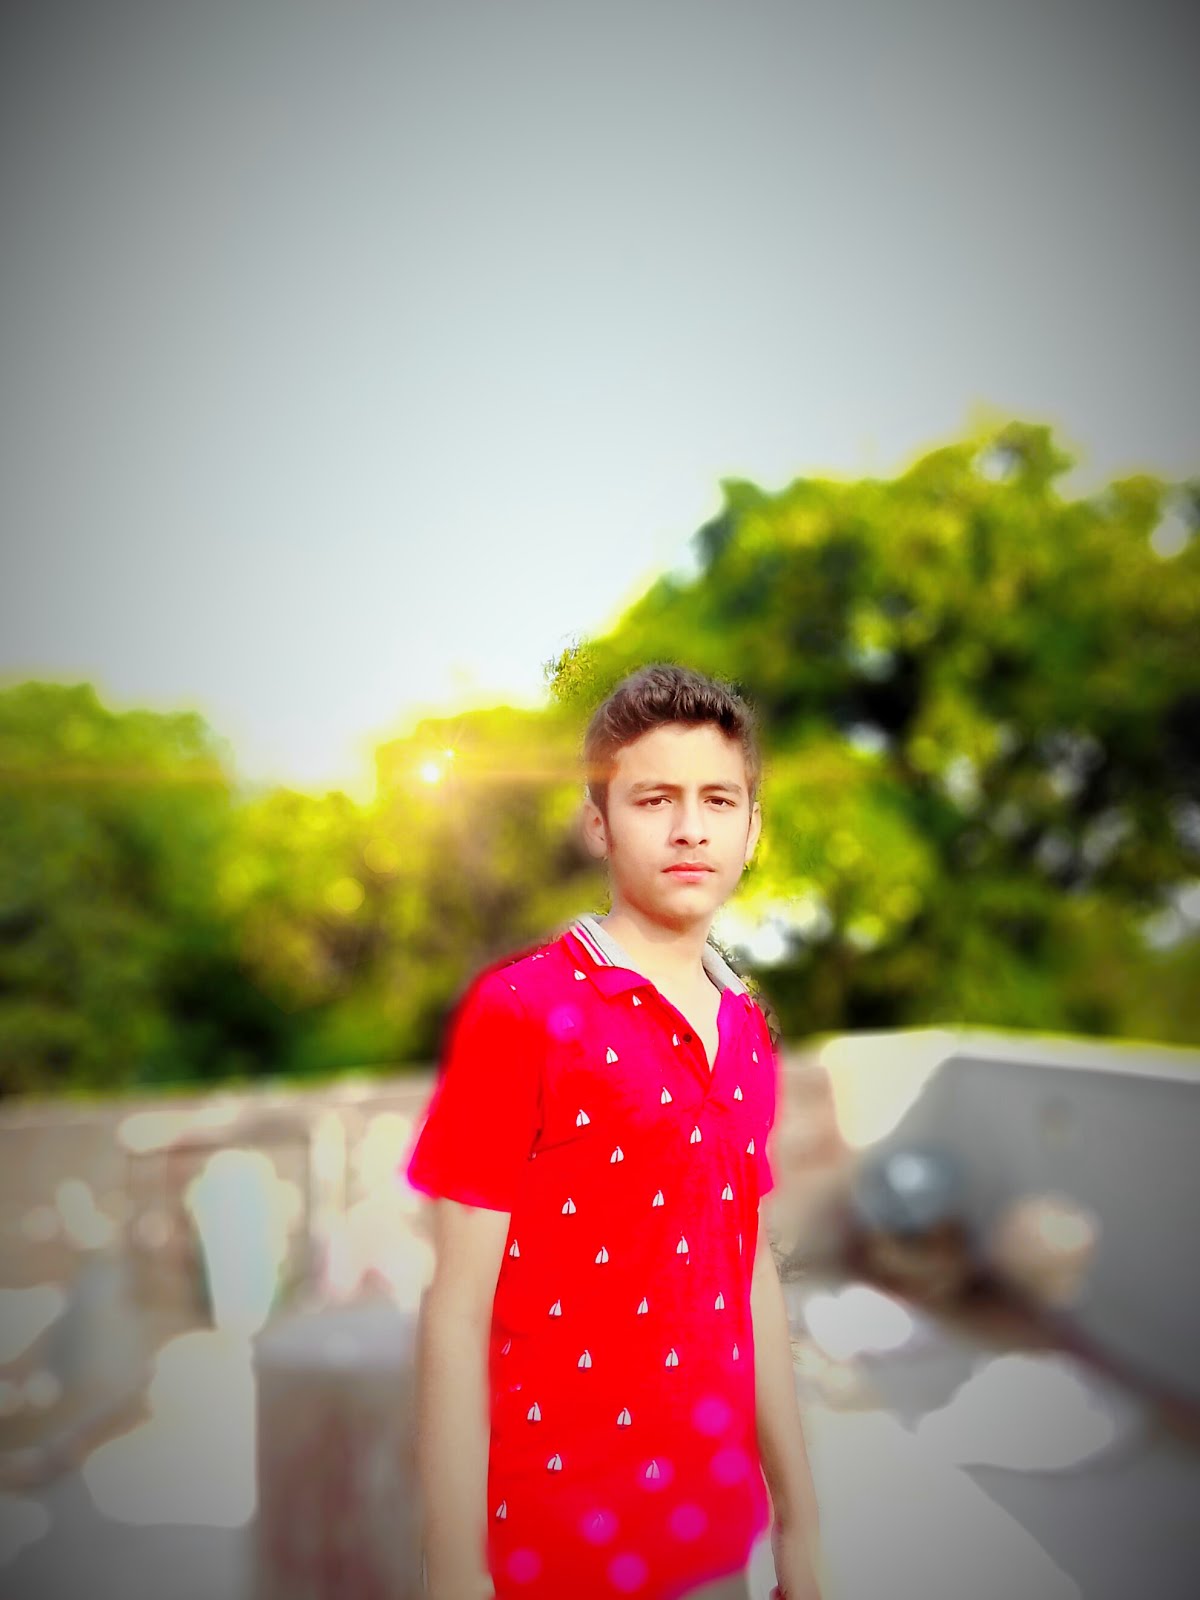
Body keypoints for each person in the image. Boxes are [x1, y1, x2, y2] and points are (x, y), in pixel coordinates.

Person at [405, 663, 826, 1600]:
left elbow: (749, 1269)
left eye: (718, 800)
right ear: (598, 824)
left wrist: (799, 1522)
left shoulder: (747, 1028)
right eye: (654, 799)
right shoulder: (523, 1012)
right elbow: (457, 1313)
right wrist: (457, 1574)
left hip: (715, 1543)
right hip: (553, 1553)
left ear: (752, 830)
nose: (690, 828)